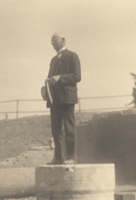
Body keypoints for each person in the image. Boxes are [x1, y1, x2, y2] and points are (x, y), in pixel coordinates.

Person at [45, 33, 81, 165]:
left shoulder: (73, 56)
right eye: (51, 41)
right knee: (56, 129)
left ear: (63, 40)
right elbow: (50, 78)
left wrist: (59, 78)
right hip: (54, 99)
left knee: (69, 128)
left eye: (55, 40)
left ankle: (71, 158)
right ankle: (59, 158)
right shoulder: (53, 60)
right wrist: (47, 84)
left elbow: (77, 77)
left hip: (67, 98)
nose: (52, 43)